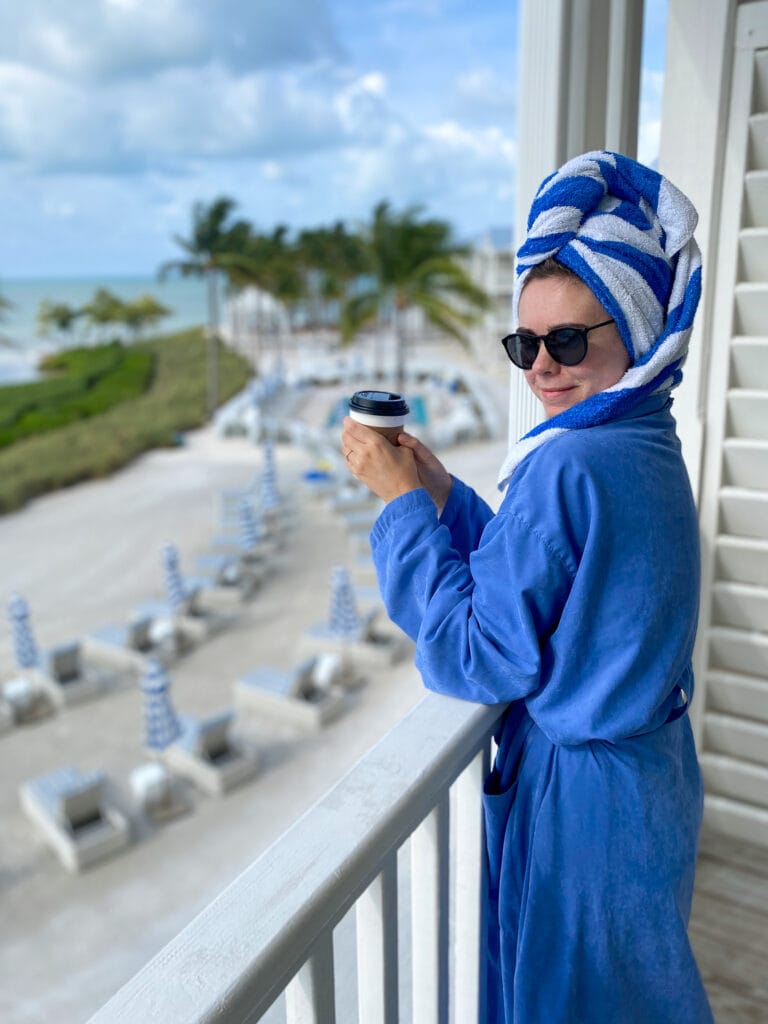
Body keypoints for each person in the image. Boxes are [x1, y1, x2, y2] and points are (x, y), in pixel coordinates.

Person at [341, 151, 714, 1023]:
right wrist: (440, 492)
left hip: (583, 808)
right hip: (648, 778)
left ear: (637, 329)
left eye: (571, 340)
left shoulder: (572, 461)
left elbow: (478, 655)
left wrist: (401, 510)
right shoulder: (642, 439)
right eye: (526, 343)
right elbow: (543, 569)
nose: (543, 367)